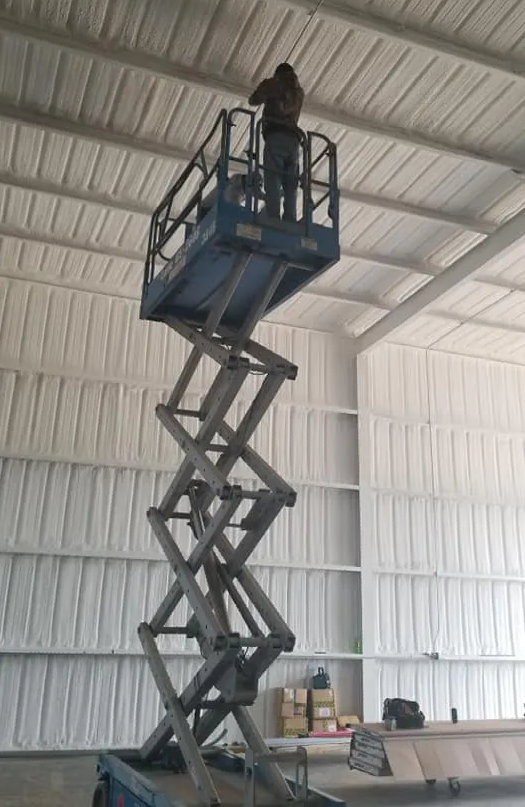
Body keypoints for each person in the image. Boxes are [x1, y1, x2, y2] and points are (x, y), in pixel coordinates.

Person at [248, 63, 304, 222]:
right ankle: (290, 218)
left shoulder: (273, 84)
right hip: (294, 141)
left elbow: (253, 100)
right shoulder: (299, 92)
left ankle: (273, 217)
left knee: (273, 178)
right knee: (290, 183)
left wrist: (265, 87)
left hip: (276, 136)